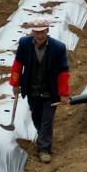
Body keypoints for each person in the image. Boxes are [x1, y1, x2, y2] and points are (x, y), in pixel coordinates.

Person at [10, 17, 71, 163]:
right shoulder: (24, 44)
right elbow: (18, 64)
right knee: (36, 117)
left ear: (47, 31)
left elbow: (63, 72)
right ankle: (43, 137)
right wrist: (15, 83)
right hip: (32, 89)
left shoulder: (58, 48)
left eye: (42, 32)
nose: (40, 36)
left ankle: (44, 149)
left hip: (50, 90)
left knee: (46, 121)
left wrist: (64, 93)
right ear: (33, 32)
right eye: (37, 33)